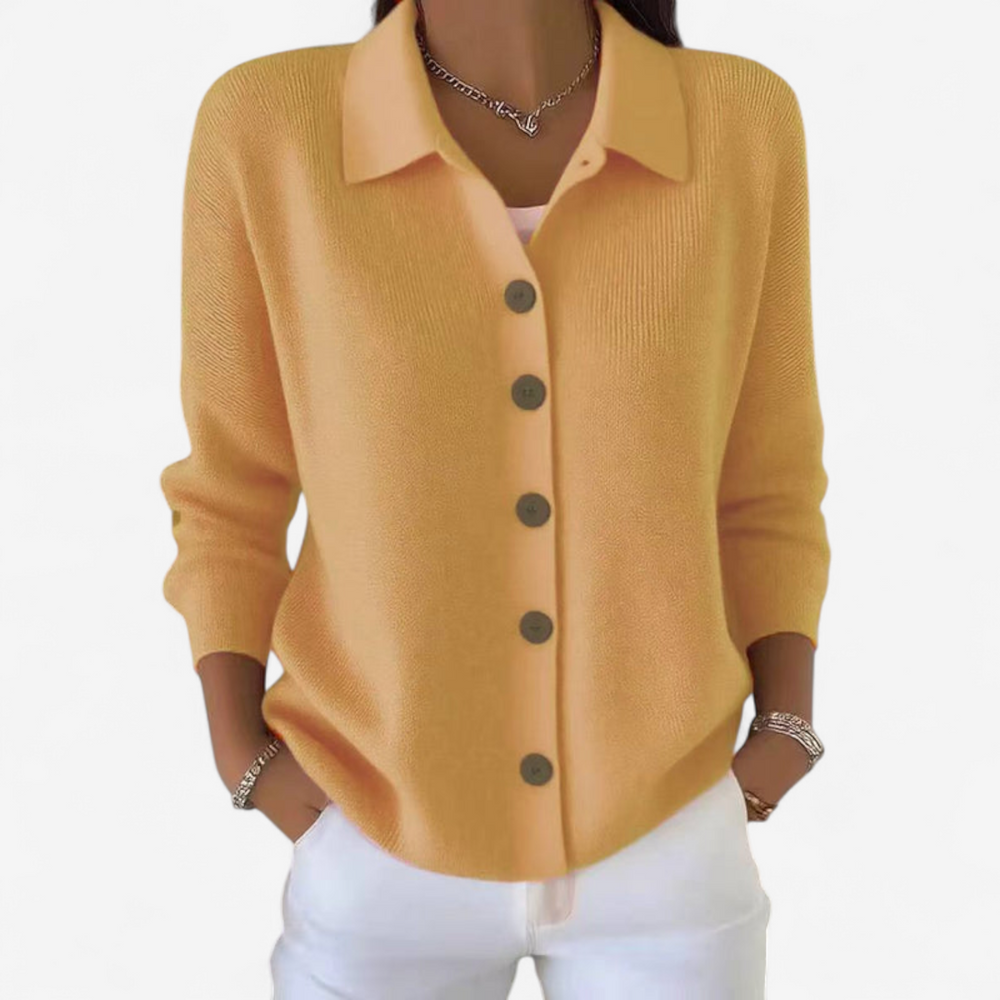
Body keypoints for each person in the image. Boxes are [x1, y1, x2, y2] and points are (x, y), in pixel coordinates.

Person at [160, 0, 831, 995]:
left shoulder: (738, 120)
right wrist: (244, 756)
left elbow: (765, 472)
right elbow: (231, 488)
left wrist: (784, 732)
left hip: (667, 841)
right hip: (374, 834)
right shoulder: (271, 125)